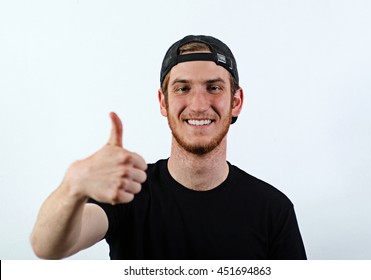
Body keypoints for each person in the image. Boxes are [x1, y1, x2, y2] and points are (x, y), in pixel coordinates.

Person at [31, 35, 307, 260]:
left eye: (213, 88)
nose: (198, 105)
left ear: (236, 102)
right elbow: (48, 247)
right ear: (163, 102)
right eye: (182, 88)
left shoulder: (273, 209)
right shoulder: (127, 192)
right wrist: (73, 186)